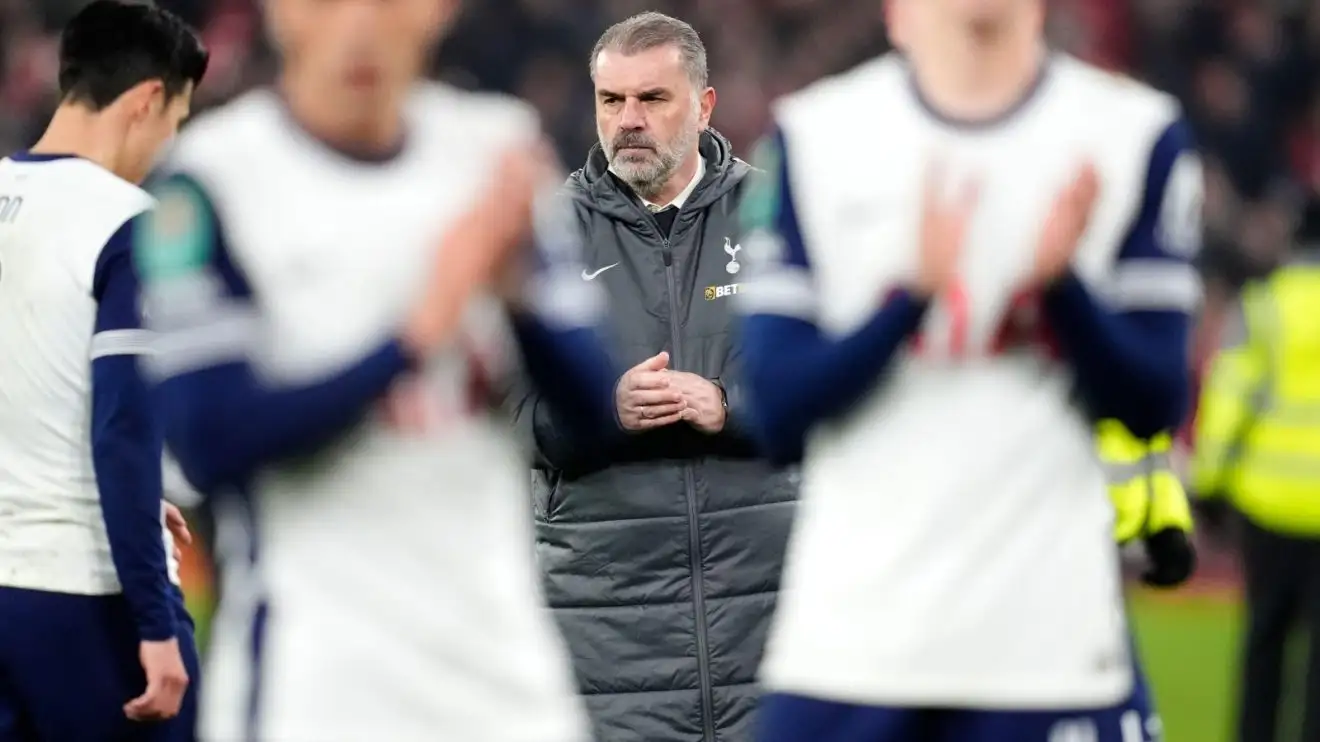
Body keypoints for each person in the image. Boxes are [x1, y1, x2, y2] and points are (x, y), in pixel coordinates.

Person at [127, 0, 620, 738]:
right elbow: (210, 440)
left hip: (506, 684)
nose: (359, 24)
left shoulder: (495, 149)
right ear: (280, 12)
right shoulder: (211, 179)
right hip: (317, 688)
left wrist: (519, 298)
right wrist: (414, 337)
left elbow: (597, 425)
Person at [735, 0, 1202, 738]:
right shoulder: (815, 135)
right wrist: (909, 302)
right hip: (851, 647)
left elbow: (1155, 402)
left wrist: (1063, 291)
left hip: (1047, 652)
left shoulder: (1131, 134)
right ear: (894, 14)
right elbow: (776, 411)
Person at [509, 12, 796, 742]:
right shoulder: (547, 231)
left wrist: (728, 406)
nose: (628, 120)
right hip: (607, 632)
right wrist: (598, 409)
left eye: (652, 99)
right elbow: (500, 414)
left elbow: (828, 390)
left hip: (770, 615)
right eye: (612, 100)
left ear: (702, 106)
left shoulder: (775, 218)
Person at [0, 2, 207, 739]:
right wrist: (155, 622)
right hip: (85, 596)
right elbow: (122, 431)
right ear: (147, 99)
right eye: (175, 121)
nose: (166, 145)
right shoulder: (131, 223)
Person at [1190, 248, 1320, 742]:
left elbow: (1230, 394)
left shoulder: (1264, 306)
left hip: (1268, 503)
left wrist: (1209, 482)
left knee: (1264, 642)